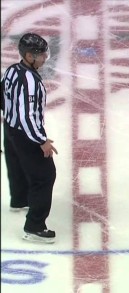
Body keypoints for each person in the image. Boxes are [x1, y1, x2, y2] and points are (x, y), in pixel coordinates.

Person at [1, 32, 58, 244]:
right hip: (25, 134)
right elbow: (28, 116)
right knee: (45, 176)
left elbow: (2, 94)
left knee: (16, 165)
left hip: (10, 129)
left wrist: (9, 118)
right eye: (41, 54)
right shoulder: (30, 81)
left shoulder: (12, 70)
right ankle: (34, 227)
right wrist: (41, 140)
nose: (45, 58)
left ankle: (19, 199)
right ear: (29, 56)